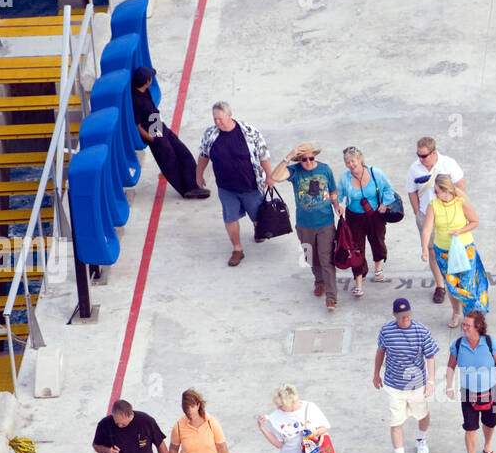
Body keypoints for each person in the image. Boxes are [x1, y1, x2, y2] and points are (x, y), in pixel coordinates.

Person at [196, 102, 275, 266]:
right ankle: (237, 249)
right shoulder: (211, 134)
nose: (217, 122)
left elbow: (263, 155)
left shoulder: (249, 132)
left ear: (229, 116)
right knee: (230, 217)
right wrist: (199, 174)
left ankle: (258, 230)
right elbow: (204, 154)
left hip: (250, 186)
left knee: (257, 216)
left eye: (220, 118)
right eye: (214, 119)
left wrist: (269, 176)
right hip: (226, 188)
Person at [373, 298, 438, 453]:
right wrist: (376, 374)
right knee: (396, 422)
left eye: (408, 315)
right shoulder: (386, 331)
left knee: (423, 415)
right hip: (394, 386)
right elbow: (381, 352)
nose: (405, 319)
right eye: (401, 317)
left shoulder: (422, 331)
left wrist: (431, 382)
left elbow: (430, 356)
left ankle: (421, 439)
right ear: (395, 315)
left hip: (417, 385)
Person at [271, 142, 340, 310]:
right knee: (311, 258)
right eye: (304, 159)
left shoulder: (325, 169)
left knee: (327, 260)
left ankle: (331, 298)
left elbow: (332, 191)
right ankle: (319, 282)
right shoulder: (295, 171)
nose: (308, 162)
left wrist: (336, 204)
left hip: (325, 224)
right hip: (304, 225)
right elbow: (275, 177)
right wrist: (288, 157)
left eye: (311, 158)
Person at [446, 311, 496, 453]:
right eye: (463, 324)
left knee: (489, 422)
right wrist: (449, 387)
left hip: (490, 391)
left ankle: (487, 446)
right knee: (470, 427)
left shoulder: (491, 343)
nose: (464, 328)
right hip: (467, 393)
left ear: (478, 326)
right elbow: (450, 367)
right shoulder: (457, 345)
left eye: (467, 325)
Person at [420, 174, 489, 328]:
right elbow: (427, 229)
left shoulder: (461, 203)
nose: (436, 194)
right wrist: (424, 248)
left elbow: (475, 221)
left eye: (438, 191)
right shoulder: (433, 205)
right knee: (452, 286)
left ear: (446, 190)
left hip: (465, 250)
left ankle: (472, 317)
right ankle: (456, 312)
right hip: (443, 252)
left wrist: (461, 230)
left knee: (466, 284)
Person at [130, 67, 210, 199]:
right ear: (147, 81)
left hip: (159, 126)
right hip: (153, 134)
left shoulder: (145, 91)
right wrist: (152, 139)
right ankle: (186, 190)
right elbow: (137, 126)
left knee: (182, 152)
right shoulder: (136, 101)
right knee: (170, 161)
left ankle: (194, 184)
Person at [406, 137, 466, 304]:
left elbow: (461, 187)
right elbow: (411, 191)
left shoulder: (449, 164)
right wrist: (417, 211)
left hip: (448, 215)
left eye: (424, 155)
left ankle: (456, 280)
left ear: (433, 153)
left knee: (453, 248)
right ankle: (440, 286)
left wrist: (458, 210)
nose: (420, 158)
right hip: (427, 214)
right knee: (432, 251)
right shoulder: (414, 169)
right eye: (418, 154)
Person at [335, 146, 396, 297]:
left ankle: (378, 269)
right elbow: (339, 195)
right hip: (354, 217)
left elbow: (389, 188)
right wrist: (338, 205)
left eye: (353, 161)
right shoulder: (345, 178)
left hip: (374, 215)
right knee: (356, 249)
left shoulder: (375, 173)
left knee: (378, 241)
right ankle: (358, 283)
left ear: (360, 159)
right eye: (348, 162)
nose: (351, 165)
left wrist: (385, 203)